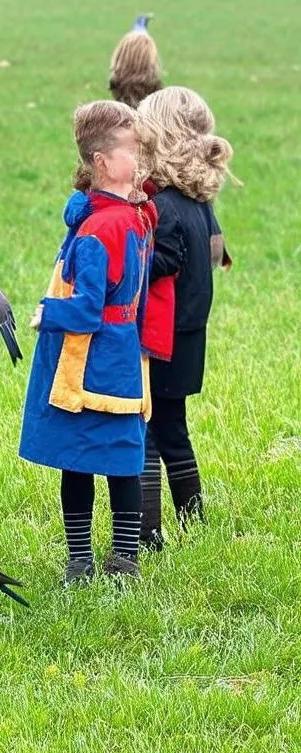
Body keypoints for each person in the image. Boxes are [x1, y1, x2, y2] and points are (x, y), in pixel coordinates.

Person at [19, 101, 157, 584]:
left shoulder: (109, 223)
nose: (139, 158)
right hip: (113, 360)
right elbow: (98, 303)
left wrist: (45, 313)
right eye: (130, 150)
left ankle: (83, 561)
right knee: (119, 460)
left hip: (94, 363)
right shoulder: (124, 220)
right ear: (102, 161)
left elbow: (86, 308)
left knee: (82, 462)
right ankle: (120, 561)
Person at [136, 86, 233, 549]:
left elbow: (158, 266)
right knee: (173, 428)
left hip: (160, 338)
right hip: (191, 335)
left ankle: (148, 535)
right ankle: (194, 522)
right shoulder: (198, 200)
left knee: (147, 431)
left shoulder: (162, 205)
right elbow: (214, 255)